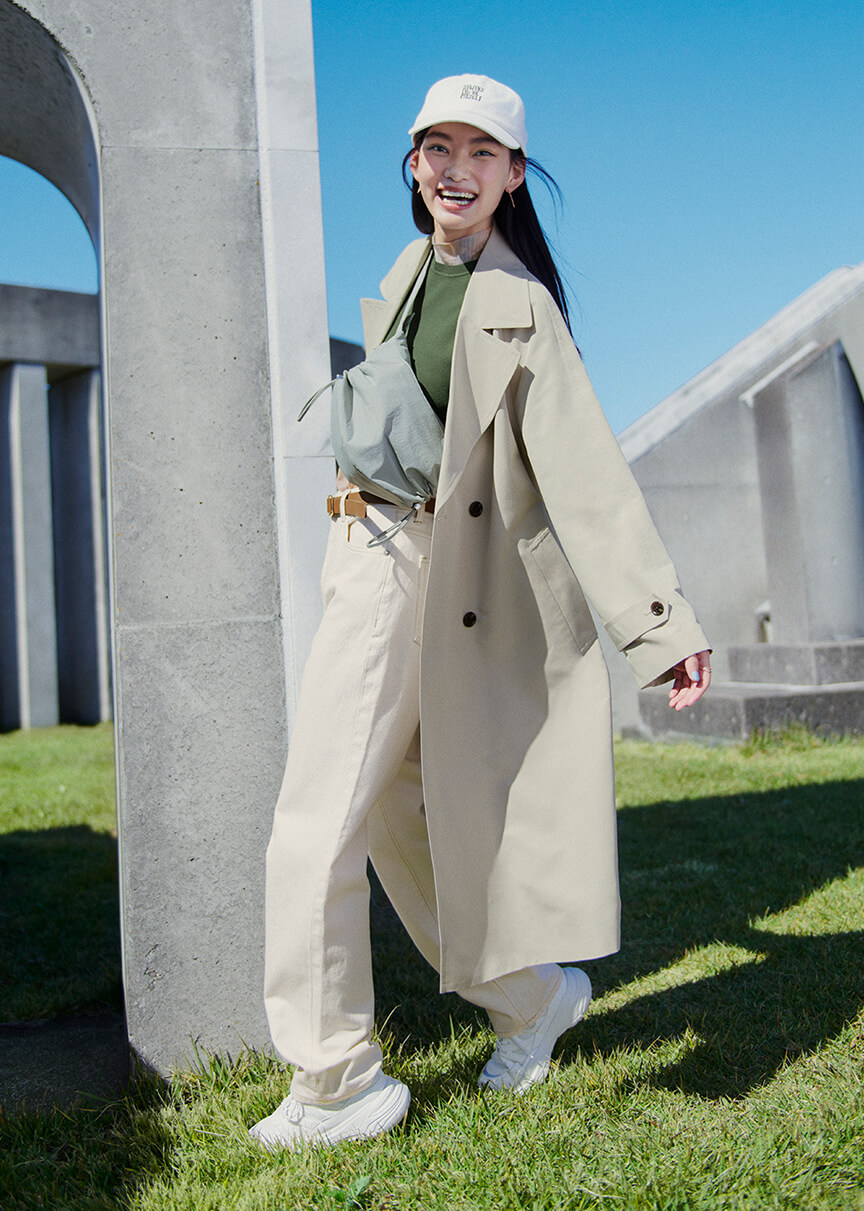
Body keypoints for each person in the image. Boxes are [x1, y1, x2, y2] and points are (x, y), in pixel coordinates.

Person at [250, 74, 711, 1150]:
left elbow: (586, 475)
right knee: (399, 821)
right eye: (439, 148)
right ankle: (531, 996)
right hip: (359, 553)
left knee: (312, 822)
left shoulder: (519, 304)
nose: (456, 169)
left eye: (482, 152)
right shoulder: (411, 270)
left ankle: (335, 1080)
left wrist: (661, 626)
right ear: (413, 163)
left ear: (512, 175)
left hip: (414, 571)